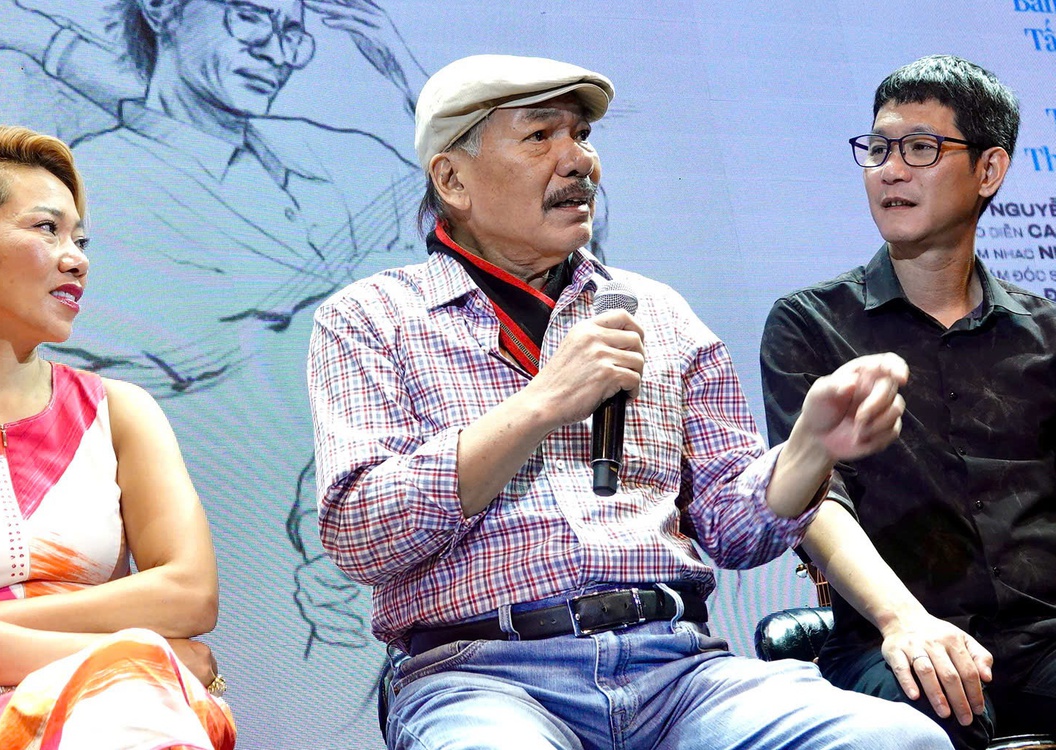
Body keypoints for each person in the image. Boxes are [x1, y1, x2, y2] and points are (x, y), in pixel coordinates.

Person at [308, 53, 952, 749]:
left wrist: (809, 450)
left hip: (677, 672)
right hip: (483, 678)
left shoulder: (657, 312)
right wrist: (540, 403)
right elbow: (361, 534)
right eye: (540, 136)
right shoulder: (371, 318)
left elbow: (732, 530)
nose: (579, 161)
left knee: (899, 742)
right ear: (452, 179)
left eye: (581, 136)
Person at [0, 123, 237, 749]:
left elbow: (190, 593)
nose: (76, 258)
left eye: (79, 239)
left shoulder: (121, 412)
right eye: (46, 229)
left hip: (119, 711)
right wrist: (136, 651)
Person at [760, 55, 1056, 749]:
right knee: (933, 714)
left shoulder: (1045, 334)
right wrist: (904, 620)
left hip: (1042, 639)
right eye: (878, 149)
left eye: (921, 148)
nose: (890, 171)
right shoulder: (812, 323)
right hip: (893, 642)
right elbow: (814, 500)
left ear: (989, 170)